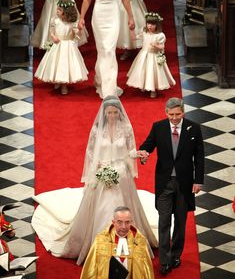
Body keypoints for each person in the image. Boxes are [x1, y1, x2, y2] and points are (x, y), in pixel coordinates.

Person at [31, 95, 158, 265]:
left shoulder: (126, 128)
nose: (112, 116)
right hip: (103, 171)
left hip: (121, 173)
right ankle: (100, 247)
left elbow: (130, 150)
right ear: (104, 113)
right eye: (109, 113)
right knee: (102, 208)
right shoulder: (97, 130)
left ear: (119, 112)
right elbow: (90, 152)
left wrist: (139, 154)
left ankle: (124, 246)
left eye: (115, 112)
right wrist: (98, 166)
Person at [139, 97, 205, 275]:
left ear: (183, 112)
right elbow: (147, 146)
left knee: (181, 223)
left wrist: (198, 180)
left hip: (185, 184)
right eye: (171, 114)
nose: (175, 118)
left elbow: (199, 157)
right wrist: (143, 154)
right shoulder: (158, 127)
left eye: (178, 114)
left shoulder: (194, 128)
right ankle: (165, 260)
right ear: (165, 113)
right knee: (164, 222)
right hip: (164, 184)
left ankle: (176, 255)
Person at [78, 0, 135, 99]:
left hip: (114, 15)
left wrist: (131, 17)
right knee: (103, 50)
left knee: (109, 50)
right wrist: (81, 18)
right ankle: (100, 80)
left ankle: (108, 89)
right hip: (99, 15)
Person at [80, 206, 155, 279]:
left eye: (127, 222)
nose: (123, 227)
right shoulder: (100, 240)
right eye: (119, 222)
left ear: (131, 222)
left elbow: (146, 272)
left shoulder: (140, 242)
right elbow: (90, 270)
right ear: (113, 222)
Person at [34, 0, 88, 95]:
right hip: (57, 45)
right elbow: (51, 31)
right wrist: (54, 37)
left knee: (65, 64)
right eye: (57, 9)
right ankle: (57, 81)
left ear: (66, 12)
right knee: (56, 63)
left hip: (68, 46)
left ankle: (64, 85)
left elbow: (76, 35)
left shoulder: (72, 23)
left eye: (59, 10)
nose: (57, 11)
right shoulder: (55, 21)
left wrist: (79, 30)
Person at [126, 12, 176, 98]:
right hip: (144, 54)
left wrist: (156, 45)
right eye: (148, 23)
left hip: (153, 56)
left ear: (157, 25)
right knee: (143, 70)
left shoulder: (160, 35)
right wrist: (131, 30)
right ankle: (144, 85)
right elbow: (134, 38)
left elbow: (162, 47)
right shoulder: (144, 32)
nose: (149, 26)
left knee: (152, 72)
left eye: (152, 24)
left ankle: (153, 89)